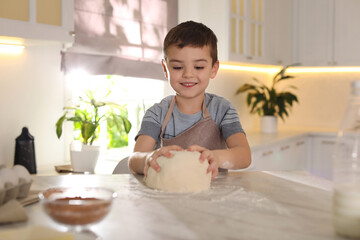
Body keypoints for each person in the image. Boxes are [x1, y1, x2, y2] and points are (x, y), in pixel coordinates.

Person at [128, 21, 251, 179]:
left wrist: (216, 157)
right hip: (169, 194)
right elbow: (134, 161)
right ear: (166, 69)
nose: (188, 74)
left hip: (214, 195)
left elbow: (244, 156)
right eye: (178, 67)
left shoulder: (223, 109)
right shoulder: (157, 113)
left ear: (213, 69)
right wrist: (147, 158)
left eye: (199, 67)